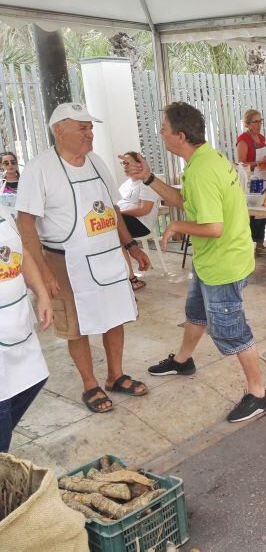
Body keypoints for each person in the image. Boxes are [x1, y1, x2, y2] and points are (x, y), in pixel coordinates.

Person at [136, 102, 266, 423]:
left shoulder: (201, 171)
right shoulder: (208, 159)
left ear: (181, 136)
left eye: (164, 129)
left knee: (231, 330)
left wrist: (176, 226)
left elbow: (213, 228)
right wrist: (149, 178)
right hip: (214, 259)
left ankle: (258, 393)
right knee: (196, 312)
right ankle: (183, 360)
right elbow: (187, 202)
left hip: (223, 264)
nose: (161, 133)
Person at [16, 102, 151, 413]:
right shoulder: (40, 168)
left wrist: (131, 246)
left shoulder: (96, 162)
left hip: (107, 256)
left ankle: (116, 376)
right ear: (59, 130)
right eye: (82, 128)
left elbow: (112, 209)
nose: (90, 133)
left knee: (115, 316)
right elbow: (26, 225)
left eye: (90, 127)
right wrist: (43, 273)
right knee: (76, 327)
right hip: (65, 261)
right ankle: (90, 384)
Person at [0, 204, 52, 452]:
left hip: (16, 323)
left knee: (33, 380)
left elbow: (20, 252)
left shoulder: (2, 209)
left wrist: (41, 293)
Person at [116, 151, 161, 291]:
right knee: (108, 230)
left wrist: (118, 213)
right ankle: (123, 277)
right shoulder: (125, 184)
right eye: (123, 163)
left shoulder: (146, 183)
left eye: (128, 163)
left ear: (139, 164)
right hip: (125, 219)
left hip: (141, 224)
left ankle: (131, 278)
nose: (125, 166)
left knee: (113, 227)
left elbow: (144, 209)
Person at [236, 109, 266, 254]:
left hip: (264, 177)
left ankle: (260, 243)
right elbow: (242, 164)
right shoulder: (243, 140)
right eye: (255, 122)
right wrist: (261, 161)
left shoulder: (261, 138)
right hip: (253, 179)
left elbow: (263, 160)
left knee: (264, 211)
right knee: (255, 212)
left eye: (260, 121)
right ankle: (250, 245)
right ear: (247, 124)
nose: (259, 124)